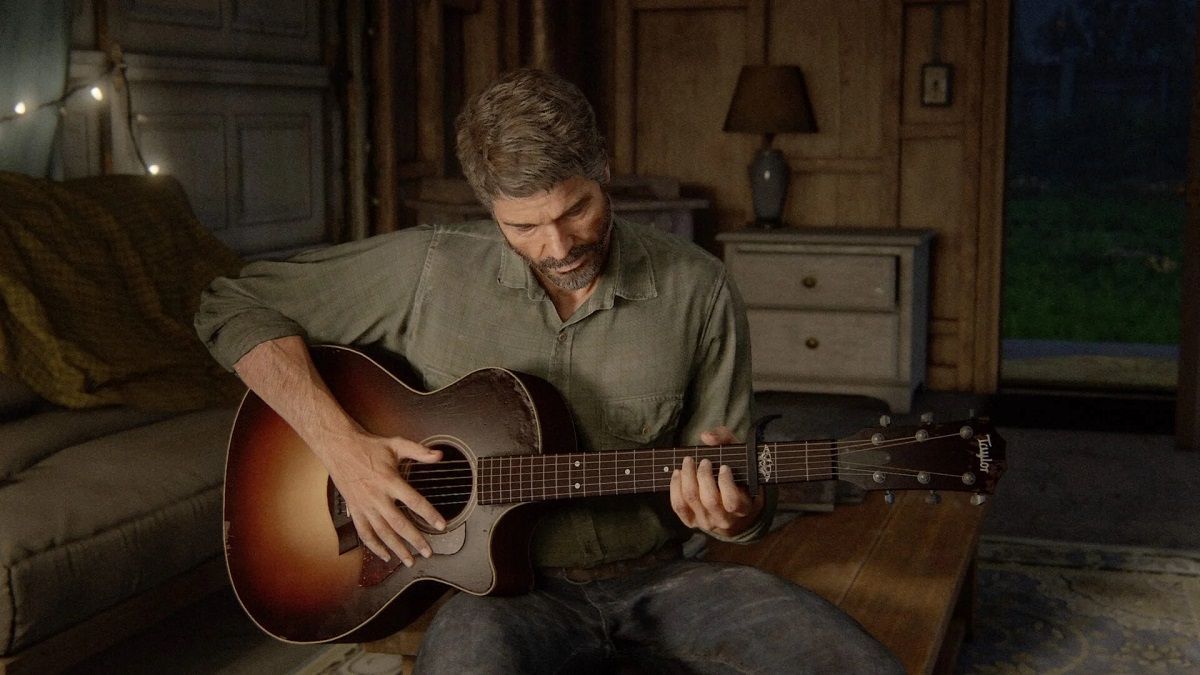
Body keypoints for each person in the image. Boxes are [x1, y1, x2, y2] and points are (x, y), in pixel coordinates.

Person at [195, 68, 901, 674]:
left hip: (663, 578)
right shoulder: (429, 267)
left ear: (604, 169)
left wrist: (737, 509)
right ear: (488, 209)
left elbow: (737, 488)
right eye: (523, 227)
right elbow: (231, 303)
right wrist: (342, 448)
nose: (558, 246)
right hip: (500, 598)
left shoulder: (700, 288)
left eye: (577, 209)